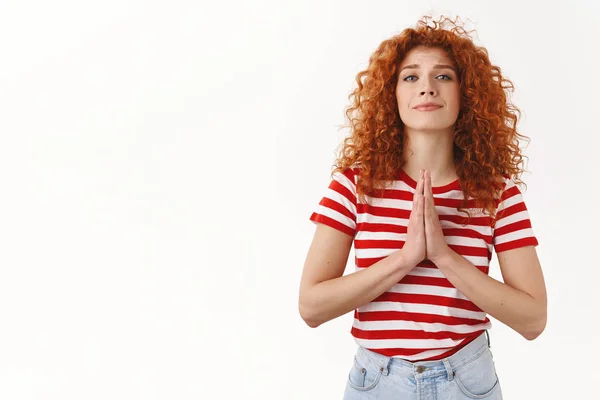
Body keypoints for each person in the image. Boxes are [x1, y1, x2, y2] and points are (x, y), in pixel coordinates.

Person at [298, 15, 547, 399]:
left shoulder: (499, 195)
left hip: (467, 380)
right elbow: (311, 307)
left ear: (467, 94)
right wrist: (404, 259)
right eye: (411, 77)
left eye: (443, 77)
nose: (427, 89)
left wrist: (445, 257)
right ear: (391, 94)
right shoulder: (353, 186)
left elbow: (533, 320)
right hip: (377, 382)